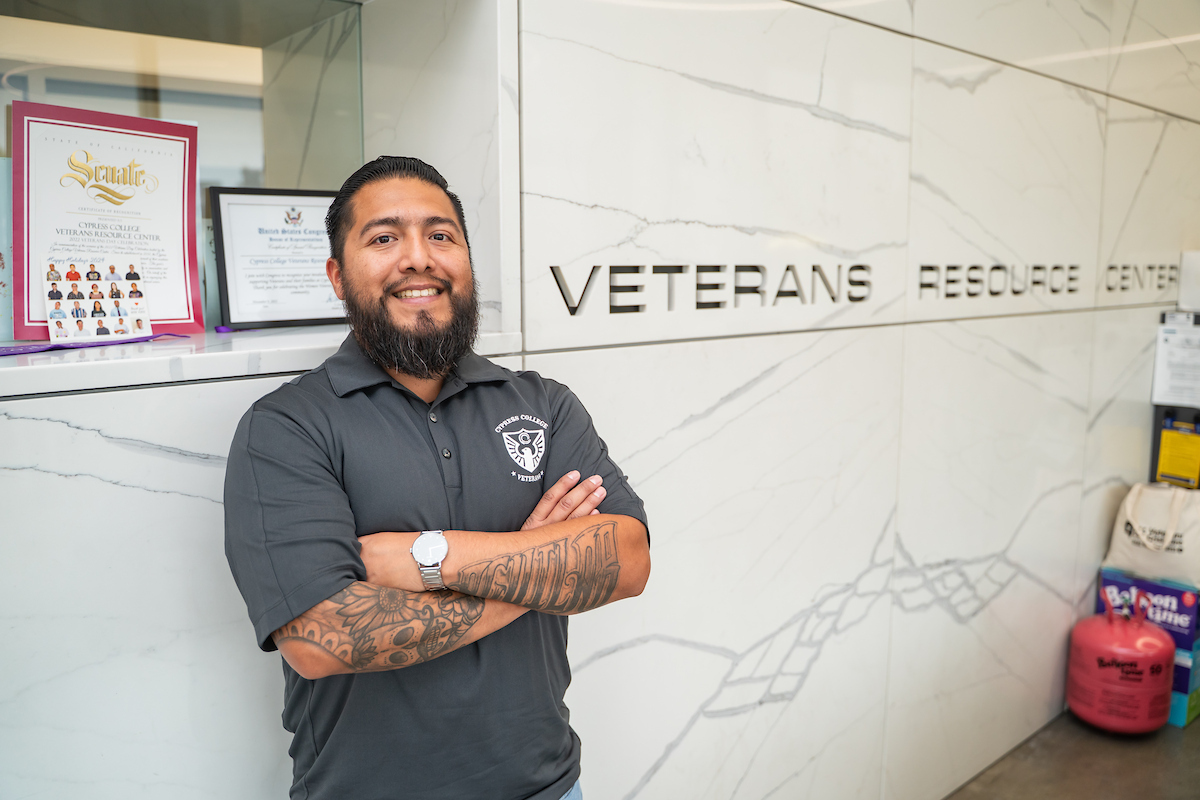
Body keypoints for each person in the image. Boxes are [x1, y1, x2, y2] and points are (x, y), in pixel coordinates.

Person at [223, 157, 651, 800]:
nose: (419, 258)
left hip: (550, 788)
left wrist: (426, 557)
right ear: (338, 276)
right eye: (384, 237)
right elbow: (321, 637)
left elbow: (626, 561)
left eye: (442, 235)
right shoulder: (287, 427)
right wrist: (537, 565)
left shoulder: (543, 403)